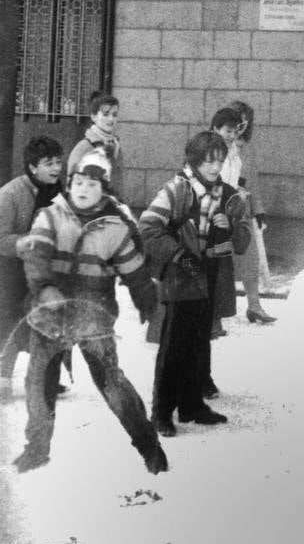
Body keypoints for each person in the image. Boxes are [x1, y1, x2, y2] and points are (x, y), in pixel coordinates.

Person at [12, 150, 166, 475]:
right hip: (50, 315)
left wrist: (146, 299)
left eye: (92, 184)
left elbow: (134, 270)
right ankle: (37, 449)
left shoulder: (116, 228)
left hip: (93, 315)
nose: (82, 189)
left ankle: (148, 445)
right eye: (78, 182)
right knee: (39, 381)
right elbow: (37, 255)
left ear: (104, 189)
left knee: (112, 383)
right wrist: (44, 288)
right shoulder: (51, 216)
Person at [140, 131, 250, 437]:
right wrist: (178, 255)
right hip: (180, 277)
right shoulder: (177, 189)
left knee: (198, 344)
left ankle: (191, 406)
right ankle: (161, 412)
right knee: (174, 345)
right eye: (208, 161)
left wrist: (227, 230)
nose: (215, 167)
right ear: (194, 160)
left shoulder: (228, 195)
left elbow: (242, 243)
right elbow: (147, 227)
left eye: (219, 160)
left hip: (210, 276)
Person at [0, 137, 64, 395]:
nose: (56, 168)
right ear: (32, 167)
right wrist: (24, 242)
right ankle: (3, 376)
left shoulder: (60, 192)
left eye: (59, 162)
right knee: (10, 322)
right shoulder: (10, 194)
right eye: (49, 163)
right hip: (11, 271)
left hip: (46, 270)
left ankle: (46, 379)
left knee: (51, 320)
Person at [224, 99, 276, 325]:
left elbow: (251, 180)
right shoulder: (213, 143)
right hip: (215, 211)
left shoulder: (245, 147)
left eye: (246, 123)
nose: (241, 127)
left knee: (250, 258)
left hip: (241, 212)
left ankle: (254, 306)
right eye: (238, 122)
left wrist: (259, 210)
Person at [208, 106, 244, 338]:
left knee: (222, 267)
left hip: (226, 218)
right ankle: (207, 318)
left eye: (234, 131)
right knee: (207, 267)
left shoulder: (235, 157)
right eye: (227, 131)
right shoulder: (207, 152)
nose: (231, 136)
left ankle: (217, 315)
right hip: (208, 214)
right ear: (215, 129)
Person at [68, 90, 124, 200]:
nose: (111, 119)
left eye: (115, 114)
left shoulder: (116, 146)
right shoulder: (84, 148)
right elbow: (71, 188)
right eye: (106, 114)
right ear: (93, 117)